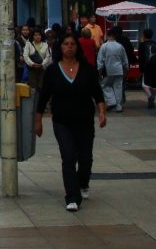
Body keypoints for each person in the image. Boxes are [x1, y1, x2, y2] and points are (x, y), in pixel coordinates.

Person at [35, 35, 107, 212]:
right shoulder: (52, 71)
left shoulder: (88, 70)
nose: (69, 47)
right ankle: (72, 197)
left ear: (77, 47)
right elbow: (43, 97)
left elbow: (97, 94)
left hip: (84, 121)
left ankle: (83, 183)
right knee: (68, 158)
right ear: (61, 47)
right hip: (62, 121)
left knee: (85, 159)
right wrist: (38, 121)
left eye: (72, 44)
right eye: (65, 44)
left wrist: (102, 112)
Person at [96, 27, 128, 112]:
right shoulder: (120, 46)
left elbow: (100, 59)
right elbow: (125, 59)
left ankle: (111, 101)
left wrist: (99, 70)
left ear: (108, 35)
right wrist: (126, 68)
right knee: (118, 87)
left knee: (104, 85)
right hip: (119, 70)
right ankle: (118, 106)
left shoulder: (104, 46)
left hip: (109, 70)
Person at [137, 28, 156, 108]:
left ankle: (149, 96)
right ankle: (152, 100)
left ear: (144, 35)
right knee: (155, 84)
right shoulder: (155, 43)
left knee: (145, 84)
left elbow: (141, 58)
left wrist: (141, 70)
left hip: (148, 65)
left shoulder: (142, 44)